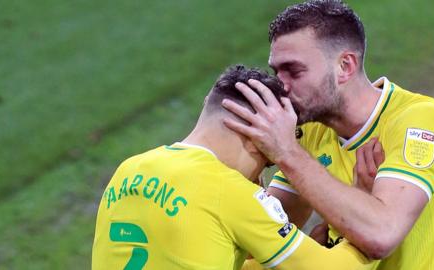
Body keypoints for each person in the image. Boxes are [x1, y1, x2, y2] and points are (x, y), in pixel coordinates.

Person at [222, 1, 434, 269]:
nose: (281, 86)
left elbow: (382, 235)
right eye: (276, 71)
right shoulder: (311, 131)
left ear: (345, 66)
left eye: (293, 71)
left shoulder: (419, 121)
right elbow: (257, 246)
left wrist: (287, 153)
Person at [91, 65, 373, 270]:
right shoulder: (229, 190)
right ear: (257, 137)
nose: (261, 179)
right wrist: (358, 218)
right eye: (269, 159)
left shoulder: (128, 170)